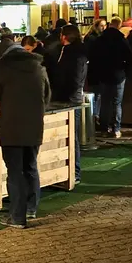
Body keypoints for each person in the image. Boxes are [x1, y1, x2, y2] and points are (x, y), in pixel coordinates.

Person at [0, 41, 50, 228]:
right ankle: (31, 208)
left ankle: (18, 217)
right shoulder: (39, 69)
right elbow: (47, 97)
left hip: (11, 128)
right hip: (34, 127)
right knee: (31, 167)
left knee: (15, 171)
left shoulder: (4, 70)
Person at [51, 25, 88, 183]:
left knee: (71, 136)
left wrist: (65, 95)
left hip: (69, 99)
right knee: (65, 135)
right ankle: (66, 171)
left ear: (65, 36)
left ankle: (75, 171)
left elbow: (74, 78)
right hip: (67, 97)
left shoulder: (74, 54)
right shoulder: (67, 52)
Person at [91, 16, 132, 138]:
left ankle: (104, 128)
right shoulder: (121, 40)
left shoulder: (99, 40)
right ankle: (116, 128)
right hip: (118, 75)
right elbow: (129, 58)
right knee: (116, 103)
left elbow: (93, 58)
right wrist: (126, 72)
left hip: (103, 75)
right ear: (119, 26)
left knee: (104, 102)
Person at [84, 18, 107, 124]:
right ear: (96, 26)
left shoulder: (96, 38)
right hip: (95, 69)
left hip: (96, 69)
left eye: (105, 25)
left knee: (97, 94)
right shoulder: (93, 38)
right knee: (95, 94)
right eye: (101, 25)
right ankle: (94, 116)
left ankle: (94, 116)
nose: (104, 27)